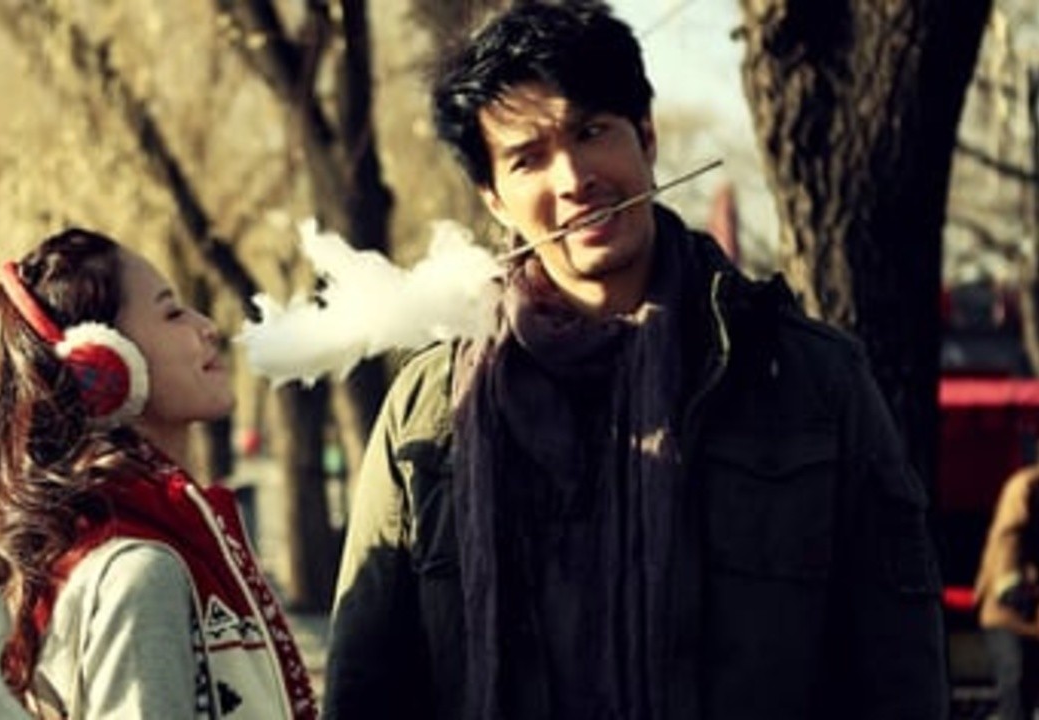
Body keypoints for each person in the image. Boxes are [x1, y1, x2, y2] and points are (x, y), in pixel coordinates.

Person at [322, 2, 947, 719]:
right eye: (528, 158)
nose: (573, 177)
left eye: (592, 132)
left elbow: (899, 673)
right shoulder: (430, 409)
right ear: (494, 199)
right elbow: (367, 687)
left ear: (646, 138)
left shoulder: (809, 379)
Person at [0, 228, 316, 719]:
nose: (208, 326)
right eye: (172, 313)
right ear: (105, 365)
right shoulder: (139, 575)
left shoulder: (120, 541)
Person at [976, 464, 1039, 719]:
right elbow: (1007, 537)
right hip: (1012, 613)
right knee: (1016, 692)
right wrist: (1009, 584)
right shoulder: (1026, 485)